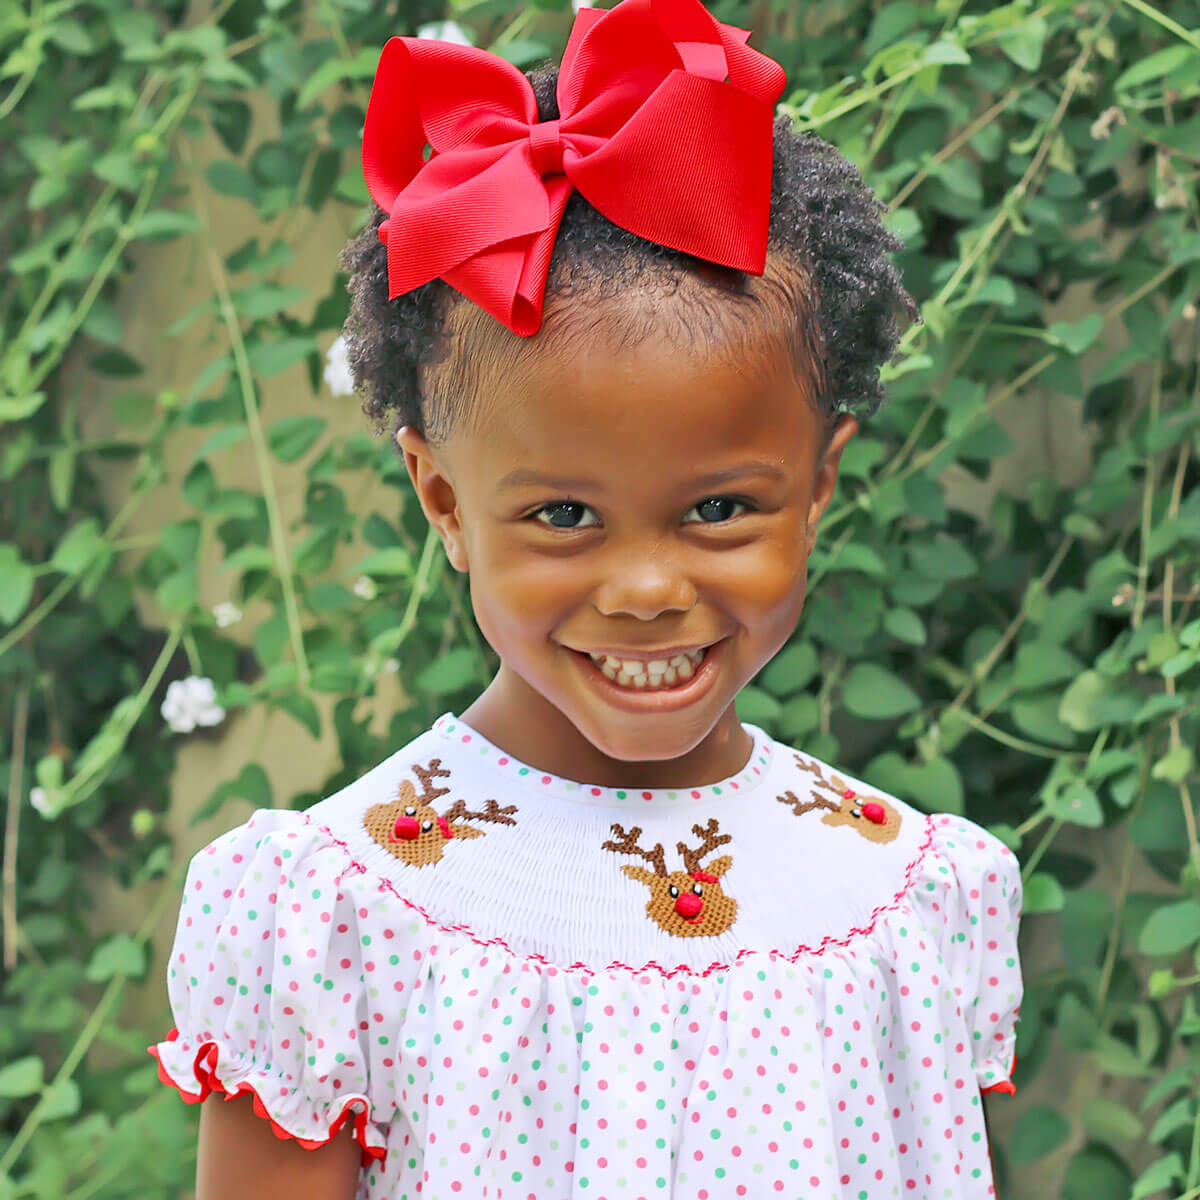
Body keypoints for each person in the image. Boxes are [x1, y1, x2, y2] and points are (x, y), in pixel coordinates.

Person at [149, 0, 1023, 1195]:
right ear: (444, 501)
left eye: (720, 509)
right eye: (562, 516)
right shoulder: (339, 914)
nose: (650, 588)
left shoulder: (903, 902)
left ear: (821, 480)